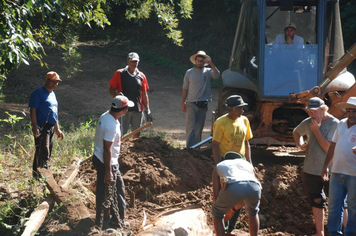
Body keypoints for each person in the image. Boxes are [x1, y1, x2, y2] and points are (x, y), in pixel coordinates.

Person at [293, 97, 339, 236]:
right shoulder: (309, 122)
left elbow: (328, 148)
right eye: (310, 111)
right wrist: (300, 144)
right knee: (316, 201)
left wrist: (316, 131)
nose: (313, 115)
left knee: (338, 203)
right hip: (310, 170)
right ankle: (320, 233)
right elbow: (296, 132)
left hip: (331, 171)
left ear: (323, 109)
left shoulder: (334, 124)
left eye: (315, 111)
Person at [212, 95, 253, 234]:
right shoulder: (221, 122)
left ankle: (230, 229)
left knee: (240, 197)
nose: (242, 110)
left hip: (241, 162)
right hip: (226, 163)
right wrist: (219, 166)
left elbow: (247, 143)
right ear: (230, 109)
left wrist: (250, 163)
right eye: (239, 108)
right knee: (225, 196)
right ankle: (223, 227)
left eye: (242, 108)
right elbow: (215, 145)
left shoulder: (245, 121)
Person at [92, 95, 134, 230]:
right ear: (124, 110)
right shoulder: (110, 125)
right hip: (106, 162)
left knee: (106, 191)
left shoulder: (107, 116)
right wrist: (108, 171)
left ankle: (105, 221)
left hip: (100, 158)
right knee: (115, 191)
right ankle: (112, 222)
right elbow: (107, 149)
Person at [321, 97, 356, 236]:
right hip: (336, 172)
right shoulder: (341, 124)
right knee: (334, 206)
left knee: (353, 206)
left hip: (353, 173)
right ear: (346, 111)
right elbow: (333, 145)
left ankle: (351, 233)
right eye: (349, 111)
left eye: (355, 111)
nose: (352, 114)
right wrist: (325, 166)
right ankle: (334, 233)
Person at [212, 151, 261, 236]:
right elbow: (244, 194)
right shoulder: (247, 165)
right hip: (255, 186)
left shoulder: (220, 166)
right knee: (253, 213)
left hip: (234, 184)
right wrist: (232, 210)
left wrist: (222, 211)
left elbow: (216, 198)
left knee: (217, 212)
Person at [181, 50, 220, 148]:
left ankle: (196, 149)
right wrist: (183, 102)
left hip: (203, 105)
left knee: (199, 128)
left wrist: (211, 64)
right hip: (191, 104)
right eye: (198, 61)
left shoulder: (208, 72)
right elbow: (185, 88)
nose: (199, 62)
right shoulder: (189, 72)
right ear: (195, 61)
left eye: (201, 61)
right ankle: (189, 149)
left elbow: (217, 75)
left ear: (204, 62)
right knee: (190, 127)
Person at [29, 71, 65, 179]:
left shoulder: (53, 94)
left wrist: (57, 129)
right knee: (43, 150)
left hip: (51, 127)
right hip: (42, 127)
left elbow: (54, 113)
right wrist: (35, 126)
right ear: (47, 81)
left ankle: (39, 175)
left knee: (47, 151)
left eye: (57, 82)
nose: (55, 84)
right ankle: (41, 176)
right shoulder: (38, 93)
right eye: (53, 81)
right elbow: (33, 110)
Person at [109, 52, 152, 139]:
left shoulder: (141, 76)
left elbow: (144, 94)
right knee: (120, 132)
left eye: (136, 61)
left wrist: (147, 110)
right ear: (127, 61)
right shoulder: (120, 73)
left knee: (136, 134)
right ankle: (117, 150)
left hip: (137, 109)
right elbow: (111, 90)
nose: (134, 63)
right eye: (132, 61)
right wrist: (118, 99)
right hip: (123, 109)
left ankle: (134, 151)